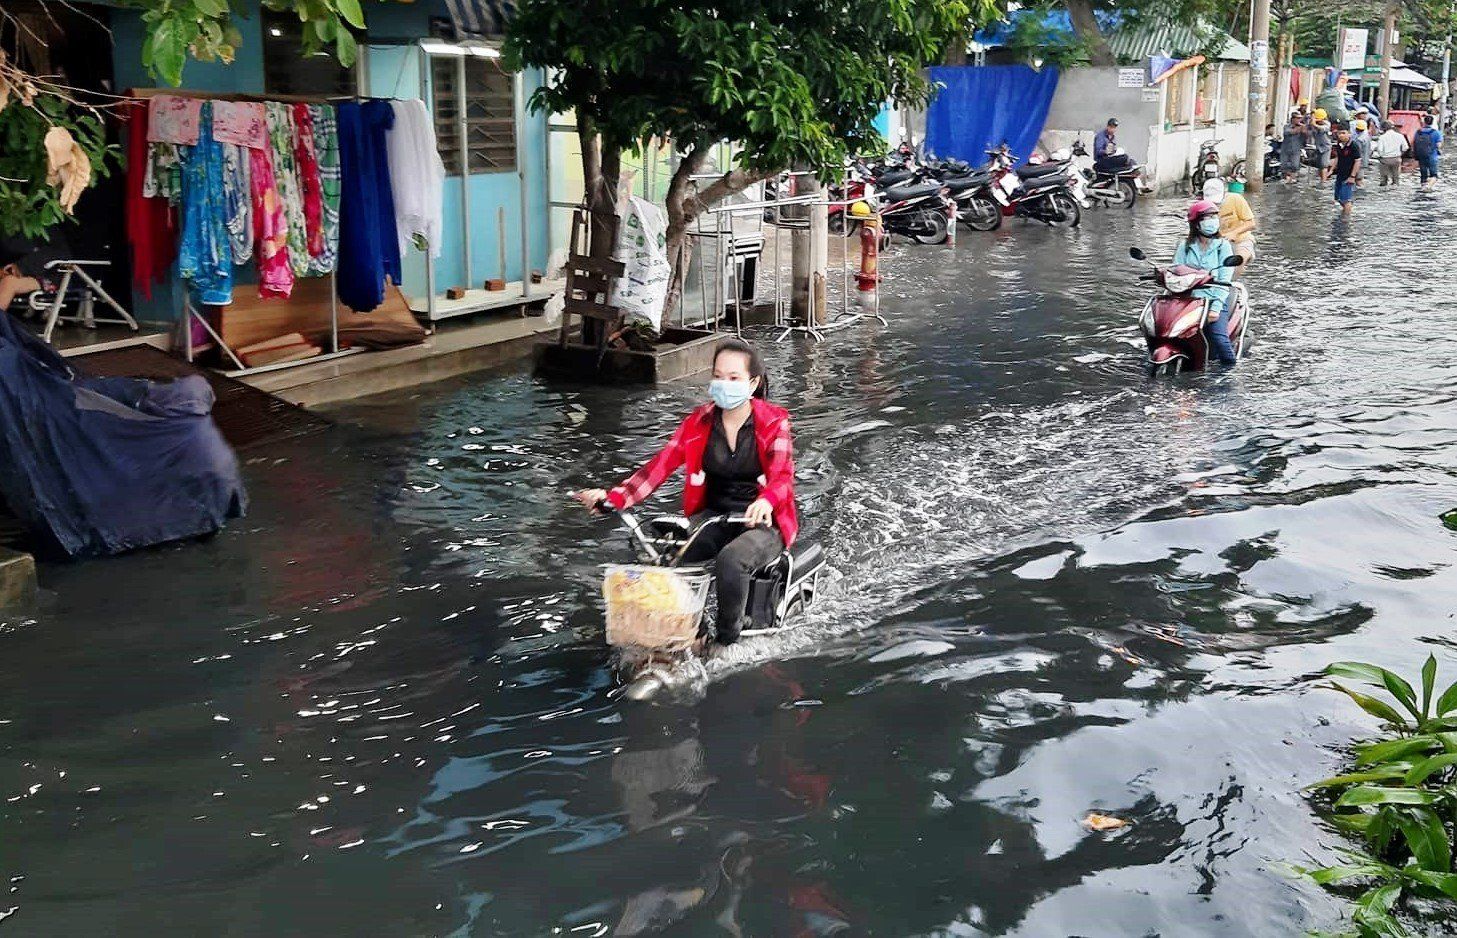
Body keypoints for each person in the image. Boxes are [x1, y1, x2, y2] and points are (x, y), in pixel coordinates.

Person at [574, 338, 798, 646]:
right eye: (718, 376)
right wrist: (613, 498)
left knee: (731, 561)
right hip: (713, 516)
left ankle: (725, 641)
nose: (723, 384)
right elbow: (658, 468)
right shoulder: (698, 422)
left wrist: (766, 501)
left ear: (752, 383)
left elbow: (783, 476)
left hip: (763, 522)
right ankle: (687, 635)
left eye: (733, 378)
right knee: (669, 562)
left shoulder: (774, 422)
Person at [1175, 200, 1237, 367]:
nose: (1212, 221)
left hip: (1213, 299)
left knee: (1220, 340)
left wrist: (1215, 309)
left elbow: (1224, 281)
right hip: (1189, 301)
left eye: (1214, 217)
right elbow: (1176, 271)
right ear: (1196, 223)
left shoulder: (1222, 246)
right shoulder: (1185, 247)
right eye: (1206, 217)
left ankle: (1229, 378)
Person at [1202, 177, 1255, 273]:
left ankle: (1230, 283)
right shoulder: (1202, 207)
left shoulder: (1235, 199)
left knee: (1239, 259)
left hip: (1240, 240)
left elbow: (1251, 223)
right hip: (1215, 243)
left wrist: (1233, 233)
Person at [1330, 126, 1362, 214]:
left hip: (1348, 175)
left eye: (1343, 133)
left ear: (1349, 134)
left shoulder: (1353, 145)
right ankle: (1346, 212)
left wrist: (1352, 176)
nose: (1341, 135)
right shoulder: (1339, 145)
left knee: (1346, 200)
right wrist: (1331, 170)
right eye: (1339, 133)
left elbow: (1358, 161)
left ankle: (1346, 220)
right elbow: (1337, 157)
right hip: (1340, 174)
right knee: (1338, 198)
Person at [1372, 120, 1408, 186]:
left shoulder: (1382, 137)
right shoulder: (1400, 136)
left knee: (1384, 180)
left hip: (1384, 160)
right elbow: (1405, 148)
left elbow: (1380, 150)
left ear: (1383, 128)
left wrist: (1380, 156)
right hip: (1396, 159)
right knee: (1396, 179)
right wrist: (1399, 154)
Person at [1413, 114, 1444, 187]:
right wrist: (1439, 150)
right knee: (1434, 175)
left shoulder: (1418, 132)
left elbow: (1414, 143)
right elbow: (1438, 145)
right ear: (1432, 122)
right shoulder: (1436, 132)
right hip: (1432, 157)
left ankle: (1423, 187)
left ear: (1424, 122)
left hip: (1421, 156)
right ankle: (1428, 187)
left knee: (1423, 176)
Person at [1279, 112, 1308, 181]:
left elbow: (1306, 137)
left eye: (1300, 118)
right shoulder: (1287, 126)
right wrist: (1300, 128)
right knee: (1284, 165)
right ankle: (1285, 178)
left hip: (1296, 149)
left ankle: (1292, 179)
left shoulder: (1302, 127)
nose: (1299, 120)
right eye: (1298, 118)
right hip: (1285, 149)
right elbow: (1289, 132)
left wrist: (1305, 132)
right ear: (1293, 119)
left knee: (1295, 165)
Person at [1311, 109, 1333, 183]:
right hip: (1318, 147)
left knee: (1324, 165)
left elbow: (1322, 128)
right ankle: (1321, 179)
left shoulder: (1327, 124)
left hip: (1326, 147)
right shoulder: (1314, 123)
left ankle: (1323, 182)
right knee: (1319, 166)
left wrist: (1314, 124)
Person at [1352, 119, 1372, 186]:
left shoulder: (1359, 139)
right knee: (1360, 177)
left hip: (1359, 162)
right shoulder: (1367, 136)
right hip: (1365, 160)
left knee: (1358, 179)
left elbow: (1357, 151)